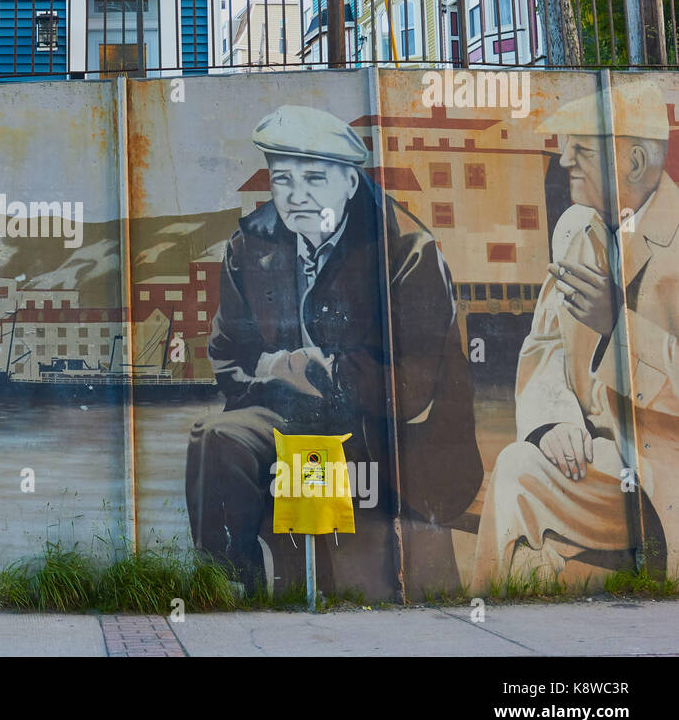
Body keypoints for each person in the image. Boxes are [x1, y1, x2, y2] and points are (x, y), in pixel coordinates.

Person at [186, 104, 480, 589]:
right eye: (283, 179)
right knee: (213, 438)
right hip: (286, 413)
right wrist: (280, 371)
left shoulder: (407, 250)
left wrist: (326, 372)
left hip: (390, 432)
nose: (296, 195)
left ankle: (316, 586)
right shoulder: (247, 246)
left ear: (348, 182)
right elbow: (226, 356)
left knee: (310, 455)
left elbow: (414, 386)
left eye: (314, 179)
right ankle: (235, 584)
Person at [470, 81, 678, 591]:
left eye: (581, 148)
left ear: (632, 162)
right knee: (518, 467)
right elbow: (544, 345)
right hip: (601, 463)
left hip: (665, 471)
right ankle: (512, 622)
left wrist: (618, 327)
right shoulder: (576, 230)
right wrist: (553, 420)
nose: (564, 161)